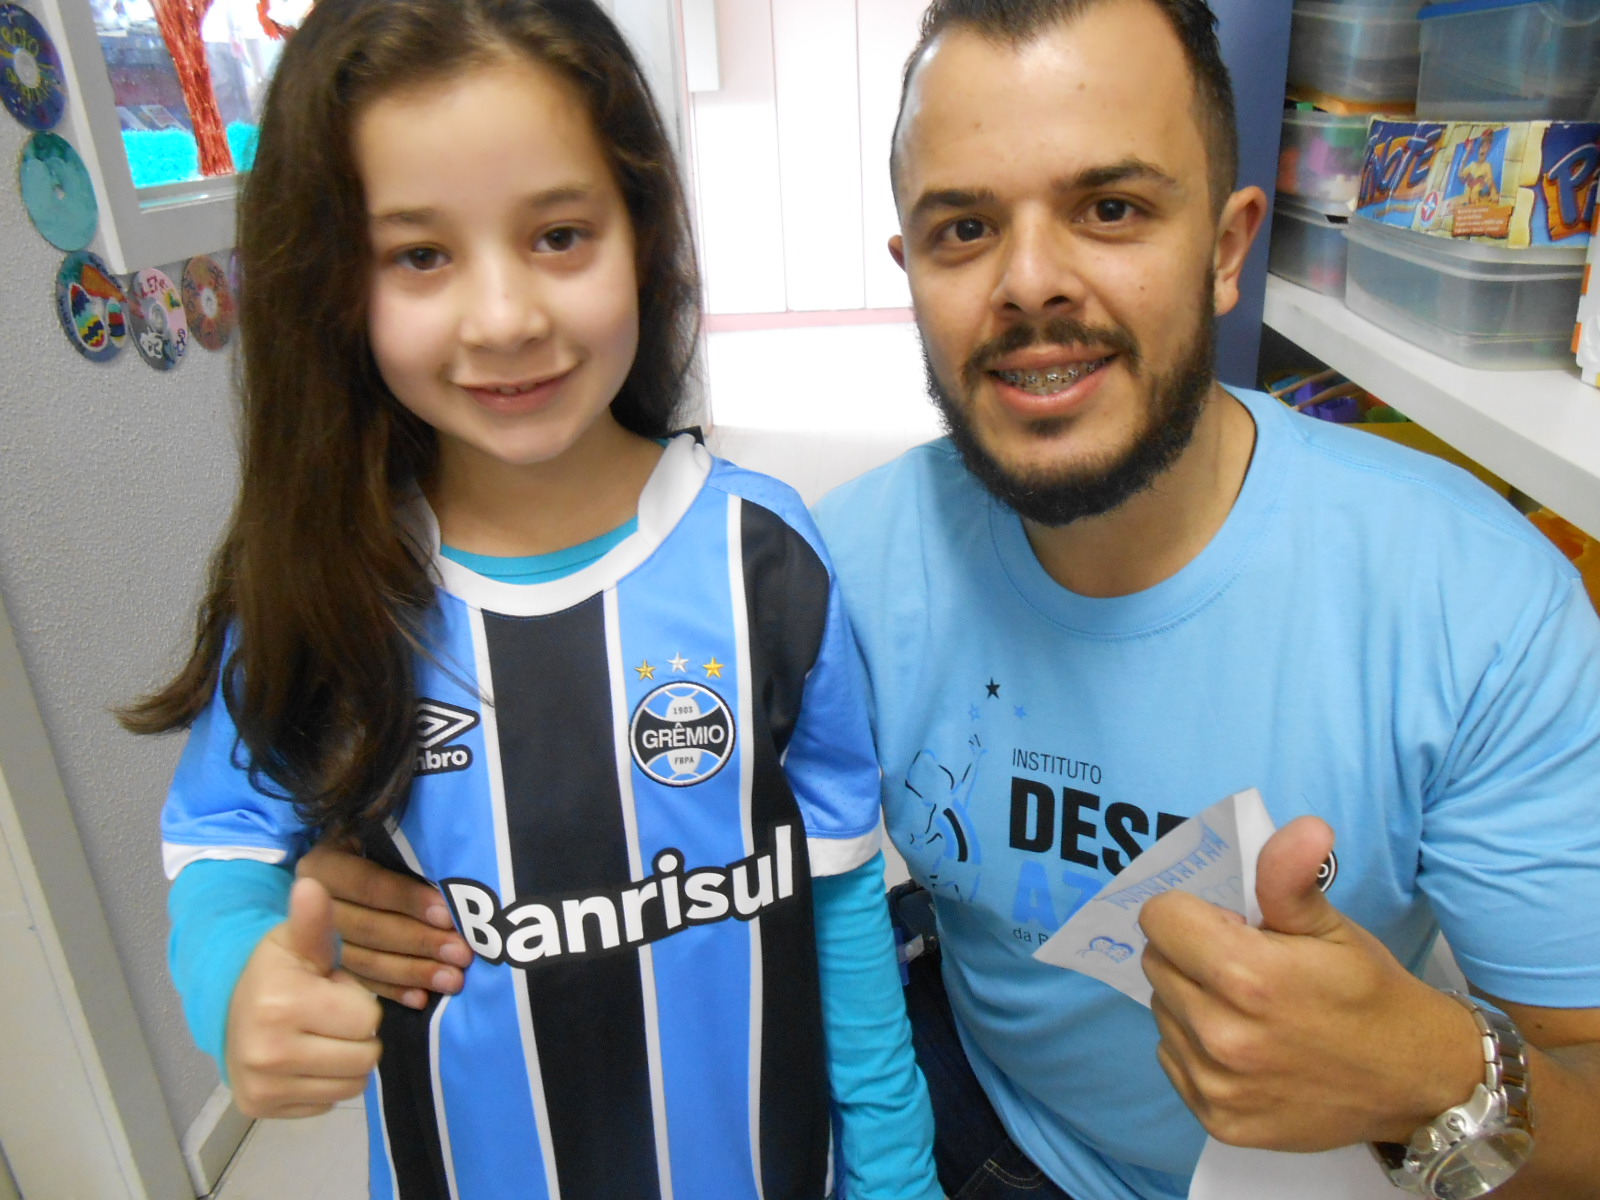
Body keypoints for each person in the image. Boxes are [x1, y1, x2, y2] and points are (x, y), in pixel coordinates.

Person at [297, 0, 1600, 1198]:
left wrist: (1433, 1077)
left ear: (1228, 248)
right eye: (965, 228)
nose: (1029, 282)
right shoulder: (828, 574)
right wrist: (389, 895)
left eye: (1111, 209)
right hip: (988, 1127)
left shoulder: (1475, 608)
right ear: (909, 270)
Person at [123, 2, 942, 1197]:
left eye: (559, 234)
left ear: (644, 234)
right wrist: (239, 969)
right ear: (335, 280)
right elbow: (223, 840)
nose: (504, 317)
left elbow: (842, 891)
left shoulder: (763, 557)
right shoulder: (323, 583)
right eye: (421, 254)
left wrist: (894, 1173)